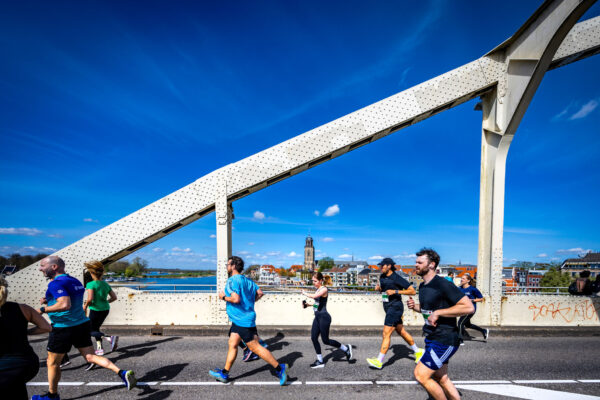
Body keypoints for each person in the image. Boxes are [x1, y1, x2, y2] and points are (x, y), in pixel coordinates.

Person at [32, 256, 136, 400]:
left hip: (63, 327)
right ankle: (122, 372)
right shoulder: (74, 281)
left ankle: (52, 396)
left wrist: (43, 309)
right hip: (81, 324)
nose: (40, 269)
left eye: (43, 265)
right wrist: (49, 300)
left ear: (54, 267)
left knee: (53, 363)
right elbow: (69, 299)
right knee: (90, 357)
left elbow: (65, 304)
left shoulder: (55, 283)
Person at [209, 256, 288, 385]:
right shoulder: (247, 280)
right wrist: (250, 302)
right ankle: (224, 373)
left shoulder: (232, 281)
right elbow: (260, 293)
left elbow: (236, 299)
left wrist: (223, 297)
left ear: (233, 266)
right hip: (242, 319)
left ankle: (280, 368)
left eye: (228, 264)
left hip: (242, 320)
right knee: (233, 343)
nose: (227, 267)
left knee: (255, 348)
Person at [407, 248, 474, 400]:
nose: (416, 265)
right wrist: (415, 307)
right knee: (441, 377)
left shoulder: (443, 284)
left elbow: (468, 307)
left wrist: (438, 313)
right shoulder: (423, 286)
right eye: (416, 262)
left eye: (420, 262)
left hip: (445, 338)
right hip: (432, 337)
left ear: (431, 264)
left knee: (421, 375)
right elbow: (428, 310)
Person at [0, 276, 52, 400]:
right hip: (27, 364)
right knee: (17, 387)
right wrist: (24, 332)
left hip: (3, 368)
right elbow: (46, 327)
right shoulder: (23, 308)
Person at [366, 258, 423, 369]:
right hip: (387, 307)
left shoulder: (397, 278)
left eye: (382, 265)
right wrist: (379, 289)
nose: (380, 267)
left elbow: (412, 291)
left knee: (386, 333)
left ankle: (379, 361)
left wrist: (395, 291)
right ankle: (418, 351)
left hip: (395, 307)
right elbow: (385, 290)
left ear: (389, 266)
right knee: (401, 331)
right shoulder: (382, 277)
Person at [301, 272, 353, 368]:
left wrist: (305, 293)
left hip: (324, 318)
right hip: (317, 317)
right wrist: (307, 305)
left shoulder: (324, 289)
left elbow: (315, 297)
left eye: (315, 281)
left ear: (320, 280)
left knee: (325, 341)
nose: (313, 283)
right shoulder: (318, 290)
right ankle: (320, 361)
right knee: (313, 338)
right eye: (313, 281)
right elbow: (317, 304)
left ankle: (346, 349)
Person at [83, 261, 119, 358]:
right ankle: (100, 349)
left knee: (89, 331)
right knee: (96, 328)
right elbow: (114, 297)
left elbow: (90, 299)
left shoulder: (90, 284)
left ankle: (110, 338)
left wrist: (85, 306)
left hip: (95, 310)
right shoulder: (105, 284)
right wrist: (106, 302)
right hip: (105, 309)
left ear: (92, 273)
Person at [457, 274, 488, 343]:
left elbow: (481, 299)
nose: (461, 279)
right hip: (463, 309)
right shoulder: (459, 288)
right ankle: (483, 330)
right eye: (461, 278)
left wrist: (472, 300)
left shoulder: (473, 289)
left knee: (460, 323)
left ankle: (460, 340)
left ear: (468, 280)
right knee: (468, 325)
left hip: (471, 309)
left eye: (463, 278)